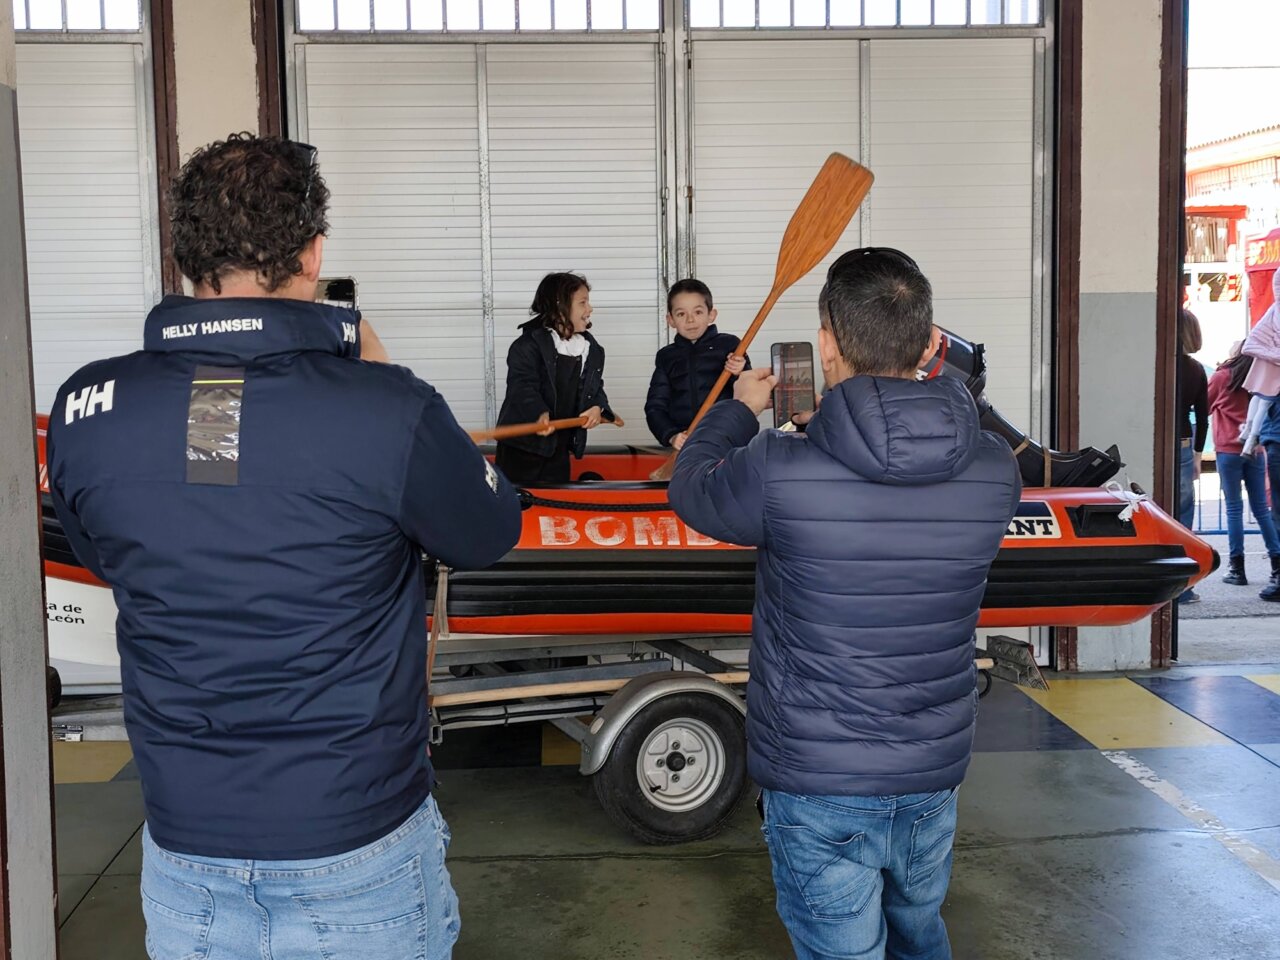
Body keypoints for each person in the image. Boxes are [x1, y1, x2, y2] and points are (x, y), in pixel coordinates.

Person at [44, 134, 522, 960]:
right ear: (312, 253)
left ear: (184, 253)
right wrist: (381, 369)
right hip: (358, 845)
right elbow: (489, 530)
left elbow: (100, 553)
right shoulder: (387, 407)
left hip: (185, 845)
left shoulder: (88, 405)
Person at [669, 247, 1019, 960]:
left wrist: (739, 414)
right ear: (929, 344)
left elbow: (692, 487)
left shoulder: (779, 469)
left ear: (825, 344)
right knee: (920, 937)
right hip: (932, 775)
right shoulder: (995, 470)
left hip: (817, 780)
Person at [494, 272, 614, 484]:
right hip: (521, 448)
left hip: (559, 447)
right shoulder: (527, 346)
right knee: (518, 503)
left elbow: (595, 387)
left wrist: (597, 407)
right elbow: (523, 386)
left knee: (555, 502)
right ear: (560, 306)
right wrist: (539, 413)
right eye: (583, 303)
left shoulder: (591, 350)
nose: (590, 309)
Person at [1207, 345, 1280, 592]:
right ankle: (1276, 564)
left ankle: (1237, 568)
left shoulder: (1222, 377)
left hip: (1228, 449)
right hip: (1256, 449)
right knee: (1261, 508)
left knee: (1234, 508)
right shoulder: (1262, 378)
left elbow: (1206, 405)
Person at [645, 278, 748, 448]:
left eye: (698, 312)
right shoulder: (666, 357)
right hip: (687, 443)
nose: (690, 320)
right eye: (681, 314)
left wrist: (739, 373)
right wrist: (671, 435)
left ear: (711, 315)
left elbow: (748, 397)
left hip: (728, 438)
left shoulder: (730, 346)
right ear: (670, 320)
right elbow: (655, 406)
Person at [1177, 309, 1209, 603]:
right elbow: (1203, 416)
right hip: (1185, 443)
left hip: (1161, 438)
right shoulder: (1196, 369)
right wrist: (1198, 455)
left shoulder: (1162, 366)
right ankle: (1185, 587)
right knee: (1184, 515)